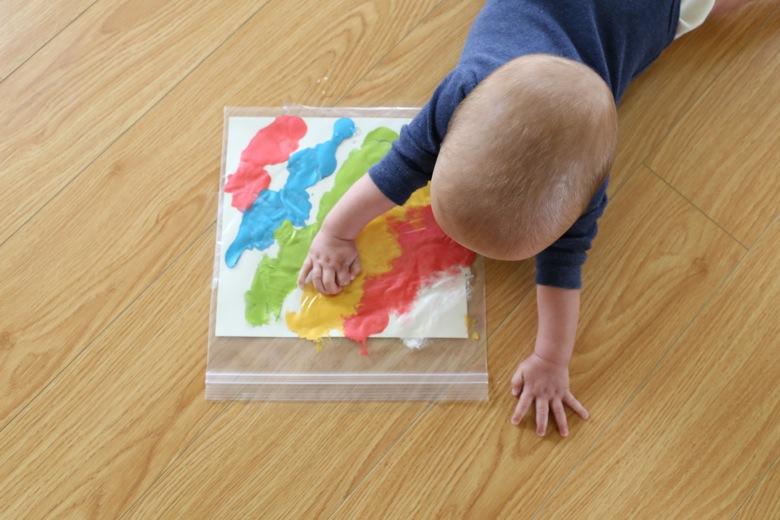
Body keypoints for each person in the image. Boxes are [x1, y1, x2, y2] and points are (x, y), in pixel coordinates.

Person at [297, 0, 747, 437]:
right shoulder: (462, 92)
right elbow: (398, 168)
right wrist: (337, 231)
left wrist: (552, 360)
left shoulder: (583, 185)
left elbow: (563, 267)